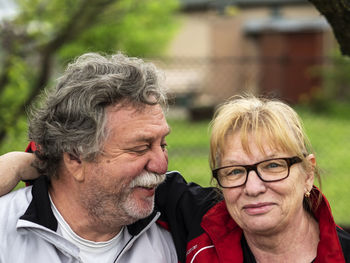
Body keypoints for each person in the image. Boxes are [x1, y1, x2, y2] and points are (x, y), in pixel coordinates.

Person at [1, 95, 350, 262]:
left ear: (307, 174)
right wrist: (23, 163)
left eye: (274, 166)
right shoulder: (200, 218)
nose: (253, 187)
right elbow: (99, 170)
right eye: (234, 171)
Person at [0, 52, 178, 262]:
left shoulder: (178, 232)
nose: (161, 165)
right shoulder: (6, 234)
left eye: (163, 144)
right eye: (139, 148)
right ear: (75, 158)